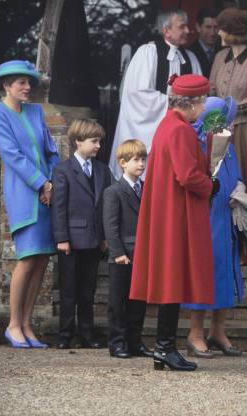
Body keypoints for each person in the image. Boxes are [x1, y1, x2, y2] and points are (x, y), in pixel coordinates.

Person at [130, 74, 217, 371]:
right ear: (191, 103)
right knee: (173, 278)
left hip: (168, 213)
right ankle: (164, 347)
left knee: (171, 278)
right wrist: (210, 186)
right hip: (177, 215)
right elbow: (187, 175)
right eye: (203, 101)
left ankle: (163, 348)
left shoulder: (167, 125)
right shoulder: (179, 130)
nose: (204, 107)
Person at [0, 60, 60, 349]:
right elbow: (12, 155)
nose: (28, 87)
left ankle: (27, 324)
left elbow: (51, 152)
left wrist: (50, 183)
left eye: (29, 83)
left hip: (46, 193)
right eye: (21, 83)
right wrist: (41, 183)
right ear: (6, 85)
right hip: (23, 192)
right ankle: (13, 324)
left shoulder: (35, 112)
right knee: (27, 258)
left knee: (42, 258)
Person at [183, 96, 245, 358]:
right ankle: (195, 334)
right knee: (203, 274)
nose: (229, 125)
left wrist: (240, 190)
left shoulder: (226, 143)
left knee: (226, 274)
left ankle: (218, 331)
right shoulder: (196, 141)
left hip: (226, 217)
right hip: (204, 219)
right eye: (224, 120)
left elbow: (236, 173)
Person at [109, 9, 203, 179]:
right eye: (182, 27)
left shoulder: (190, 59)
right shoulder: (148, 53)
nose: (188, 31)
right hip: (149, 131)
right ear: (166, 30)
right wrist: (174, 103)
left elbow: (200, 96)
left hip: (179, 133)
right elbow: (137, 94)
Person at [210, 7, 247, 265]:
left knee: (246, 184)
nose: (218, 32)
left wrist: (227, 108)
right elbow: (211, 90)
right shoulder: (219, 57)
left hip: (245, 131)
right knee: (219, 185)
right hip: (219, 131)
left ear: (233, 32)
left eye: (222, 28)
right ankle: (223, 243)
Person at [51, 119, 113, 349]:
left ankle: (87, 335)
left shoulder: (102, 170)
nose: (98, 146)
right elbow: (59, 208)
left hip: (95, 240)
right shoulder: (63, 171)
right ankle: (65, 335)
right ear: (78, 142)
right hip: (72, 241)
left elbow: (107, 205)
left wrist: (105, 237)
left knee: (88, 291)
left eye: (99, 141)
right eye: (94, 141)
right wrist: (62, 239)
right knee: (69, 291)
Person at [103, 139, 152, 359]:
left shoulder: (146, 190)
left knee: (138, 301)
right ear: (123, 163)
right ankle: (117, 343)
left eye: (143, 159)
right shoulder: (114, 191)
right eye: (135, 160)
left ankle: (135, 341)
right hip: (123, 255)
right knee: (118, 301)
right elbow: (111, 226)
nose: (141, 163)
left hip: (142, 253)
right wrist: (118, 253)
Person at [189, 7, 219, 78]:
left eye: (216, 27)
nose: (212, 33)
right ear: (198, 27)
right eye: (208, 27)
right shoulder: (190, 53)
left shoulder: (224, 51)